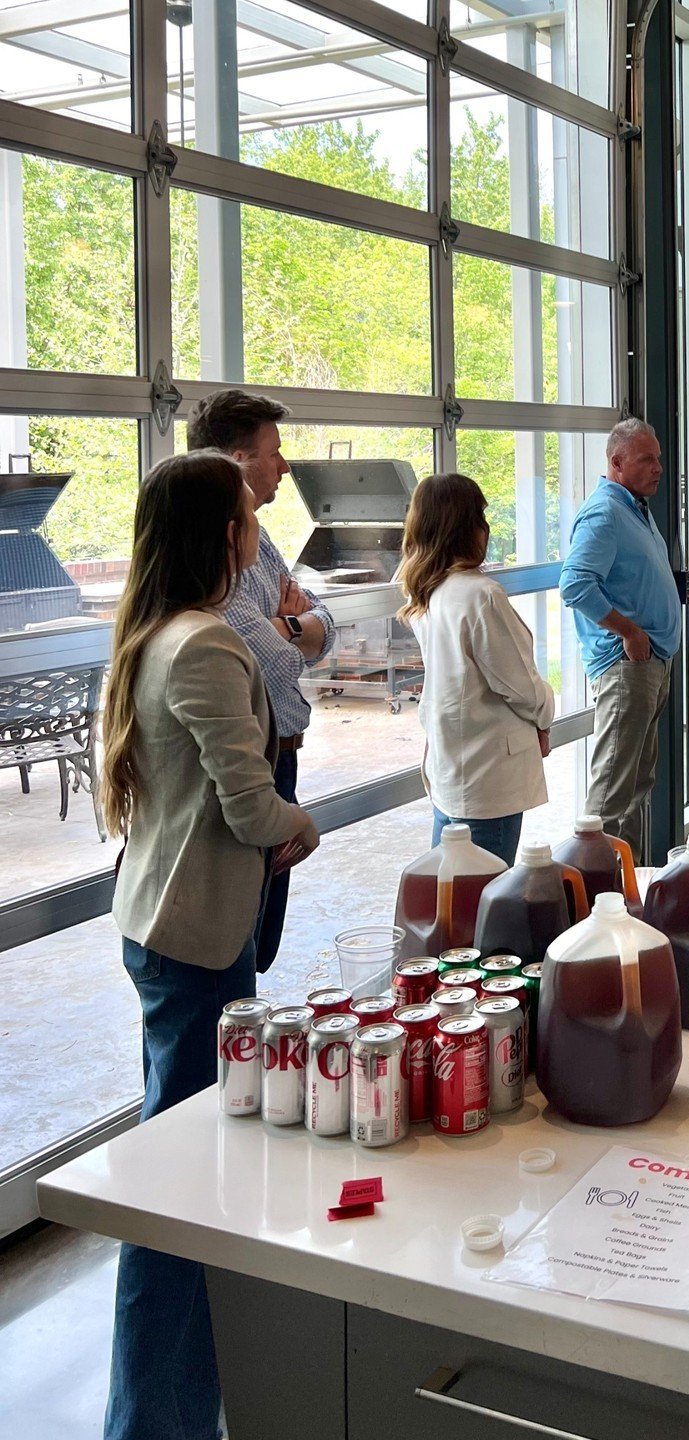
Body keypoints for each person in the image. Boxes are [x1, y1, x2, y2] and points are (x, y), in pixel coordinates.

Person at [101, 452, 319, 1440]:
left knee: (180, 1173)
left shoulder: (152, 635)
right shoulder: (204, 647)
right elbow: (248, 803)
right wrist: (297, 826)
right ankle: (157, 1419)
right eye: (246, 519)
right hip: (196, 941)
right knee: (180, 1192)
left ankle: (180, 1407)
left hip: (162, 926)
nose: (257, 537)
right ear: (219, 537)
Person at [187, 388, 334, 974]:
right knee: (233, 948)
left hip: (283, 757)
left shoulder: (260, 534)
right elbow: (268, 659)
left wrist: (287, 623)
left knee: (256, 947)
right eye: (274, 452)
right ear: (235, 461)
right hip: (253, 766)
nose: (286, 465)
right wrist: (292, 629)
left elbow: (322, 624)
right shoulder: (209, 554)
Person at [396, 472, 553, 863]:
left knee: (450, 897)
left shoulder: (429, 592)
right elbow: (519, 685)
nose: (486, 526)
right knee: (482, 905)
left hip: (451, 769)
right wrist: (545, 714)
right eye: (481, 517)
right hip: (488, 781)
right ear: (467, 527)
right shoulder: (481, 595)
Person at [559, 418, 682, 862]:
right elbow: (575, 585)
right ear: (616, 462)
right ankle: (595, 901)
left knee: (635, 787)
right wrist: (629, 631)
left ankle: (628, 886)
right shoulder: (605, 513)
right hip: (626, 667)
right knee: (611, 793)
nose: (659, 468)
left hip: (651, 663)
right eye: (647, 459)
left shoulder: (634, 508)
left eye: (659, 458)